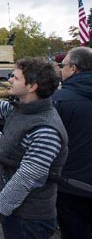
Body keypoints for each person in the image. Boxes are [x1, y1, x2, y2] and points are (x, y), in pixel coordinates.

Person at [0, 59, 67, 239]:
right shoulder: (20, 110)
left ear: (32, 86)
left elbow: (28, 176)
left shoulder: (45, 129)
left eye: (15, 77)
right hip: (17, 213)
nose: (9, 80)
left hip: (29, 219)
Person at [51, 47, 92, 239]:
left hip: (70, 186)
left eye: (63, 65)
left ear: (73, 68)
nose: (60, 69)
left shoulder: (59, 101)